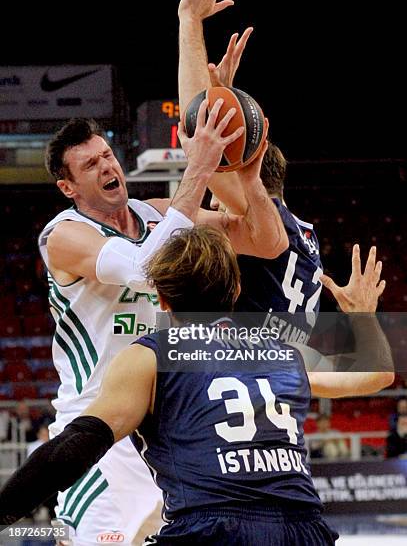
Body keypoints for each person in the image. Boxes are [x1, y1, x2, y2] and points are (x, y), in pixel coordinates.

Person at [0, 225, 393, 544]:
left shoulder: (151, 356)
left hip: (212, 527)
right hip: (304, 528)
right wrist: (362, 317)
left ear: (162, 301)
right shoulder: (281, 350)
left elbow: (75, 447)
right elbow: (376, 375)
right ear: (236, 291)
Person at [37, 103, 288, 544]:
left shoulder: (157, 213)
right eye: (90, 164)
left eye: (107, 155)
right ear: (67, 186)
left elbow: (267, 243)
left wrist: (246, 171)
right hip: (101, 433)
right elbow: (143, 269)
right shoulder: (62, 236)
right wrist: (201, 165)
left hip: (171, 431)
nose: (106, 166)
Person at [177, 0, 323, 343]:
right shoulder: (303, 235)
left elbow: (199, 127)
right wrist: (220, 92)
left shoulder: (257, 213)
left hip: (248, 386)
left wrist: (189, 20)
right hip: (282, 380)